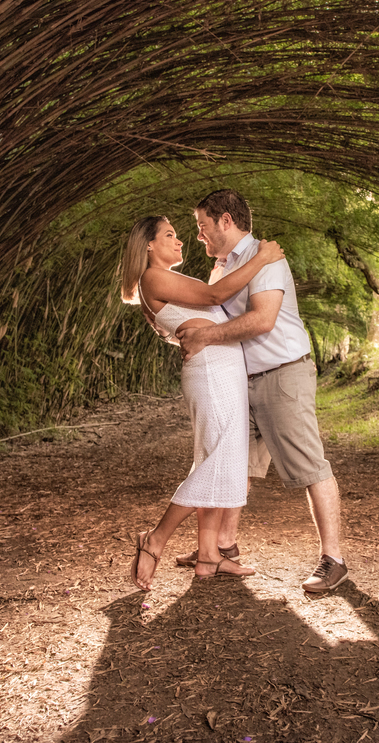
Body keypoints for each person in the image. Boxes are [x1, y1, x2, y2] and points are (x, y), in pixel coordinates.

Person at [177, 189, 349, 593]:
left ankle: (334, 559)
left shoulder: (265, 259)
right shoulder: (223, 268)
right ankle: (223, 548)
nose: (199, 236)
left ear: (225, 221)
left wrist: (206, 336)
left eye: (202, 226)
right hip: (241, 378)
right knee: (238, 466)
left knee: (309, 466)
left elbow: (262, 320)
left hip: (281, 375)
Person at [120, 215, 284, 590]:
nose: (179, 242)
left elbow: (206, 308)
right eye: (170, 235)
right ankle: (156, 539)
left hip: (219, 367)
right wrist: (261, 258)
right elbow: (215, 298)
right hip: (212, 371)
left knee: (218, 458)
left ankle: (208, 555)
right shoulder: (151, 276)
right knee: (217, 460)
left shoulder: (163, 278)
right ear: (147, 244)